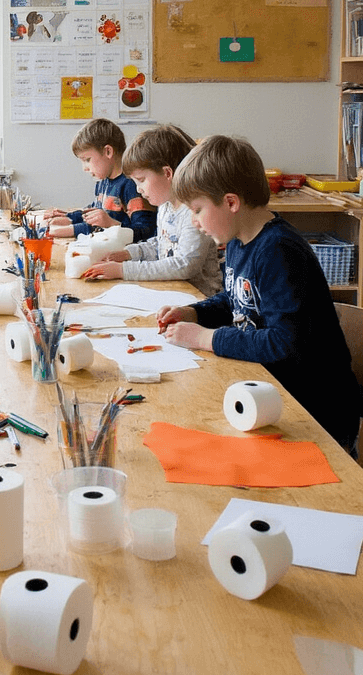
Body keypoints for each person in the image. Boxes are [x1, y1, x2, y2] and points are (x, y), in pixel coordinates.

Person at [158, 134, 361, 450]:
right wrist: (195, 312)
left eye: (197, 210)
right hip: (272, 395)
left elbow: (285, 343)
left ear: (231, 202)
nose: (195, 222)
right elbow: (238, 299)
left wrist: (205, 338)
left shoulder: (279, 251)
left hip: (315, 413)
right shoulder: (238, 240)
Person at [82, 124, 222, 296]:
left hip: (199, 299)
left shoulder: (193, 212)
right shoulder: (165, 206)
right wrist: (128, 254)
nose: (138, 189)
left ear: (167, 173)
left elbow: (184, 265)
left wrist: (123, 270)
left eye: (141, 180)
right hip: (171, 293)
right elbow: (162, 244)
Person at [45, 118, 156, 242]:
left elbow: (146, 231)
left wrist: (111, 224)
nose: (85, 168)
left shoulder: (132, 185)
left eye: (87, 160)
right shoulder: (103, 182)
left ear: (108, 151)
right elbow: (95, 215)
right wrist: (69, 217)